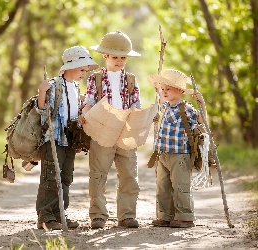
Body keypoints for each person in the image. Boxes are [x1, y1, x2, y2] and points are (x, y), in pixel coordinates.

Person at [79, 31, 141, 229]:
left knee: (129, 174)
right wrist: (84, 115)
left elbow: (135, 105)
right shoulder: (94, 79)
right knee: (98, 173)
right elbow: (89, 102)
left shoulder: (131, 80)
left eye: (123, 58)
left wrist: (141, 118)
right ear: (105, 56)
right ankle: (98, 214)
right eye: (115, 57)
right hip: (102, 131)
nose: (120, 61)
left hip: (125, 131)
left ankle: (127, 214)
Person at [35, 46, 98, 230]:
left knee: (65, 177)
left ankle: (60, 213)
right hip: (54, 139)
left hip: (69, 140)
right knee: (50, 176)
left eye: (86, 70)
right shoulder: (54, 85)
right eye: (81, 69)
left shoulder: (76, 88)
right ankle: (45, 216)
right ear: (69, 67)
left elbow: (74, 114)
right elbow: (42, 110)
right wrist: (41, 93)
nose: (84, 74)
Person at [147, 69, 207, 228]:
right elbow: (159, 102)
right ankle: (165, 215)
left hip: (180, 155)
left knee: (180, 186)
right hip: (163, 154)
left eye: (168, 89)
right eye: (163, 89)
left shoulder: (185, 108)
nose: (164, 92)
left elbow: (202, 120)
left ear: (180, 91)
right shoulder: (165, 106)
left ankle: (185, 216)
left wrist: (201, 104)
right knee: (162, 186)